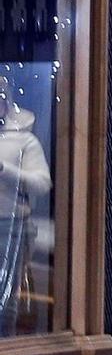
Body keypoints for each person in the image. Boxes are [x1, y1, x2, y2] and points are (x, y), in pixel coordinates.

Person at [0, 72, 52, 335]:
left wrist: (5, 171)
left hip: (10, 226)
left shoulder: (24, 141)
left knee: (5, 298)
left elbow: (42, 184)